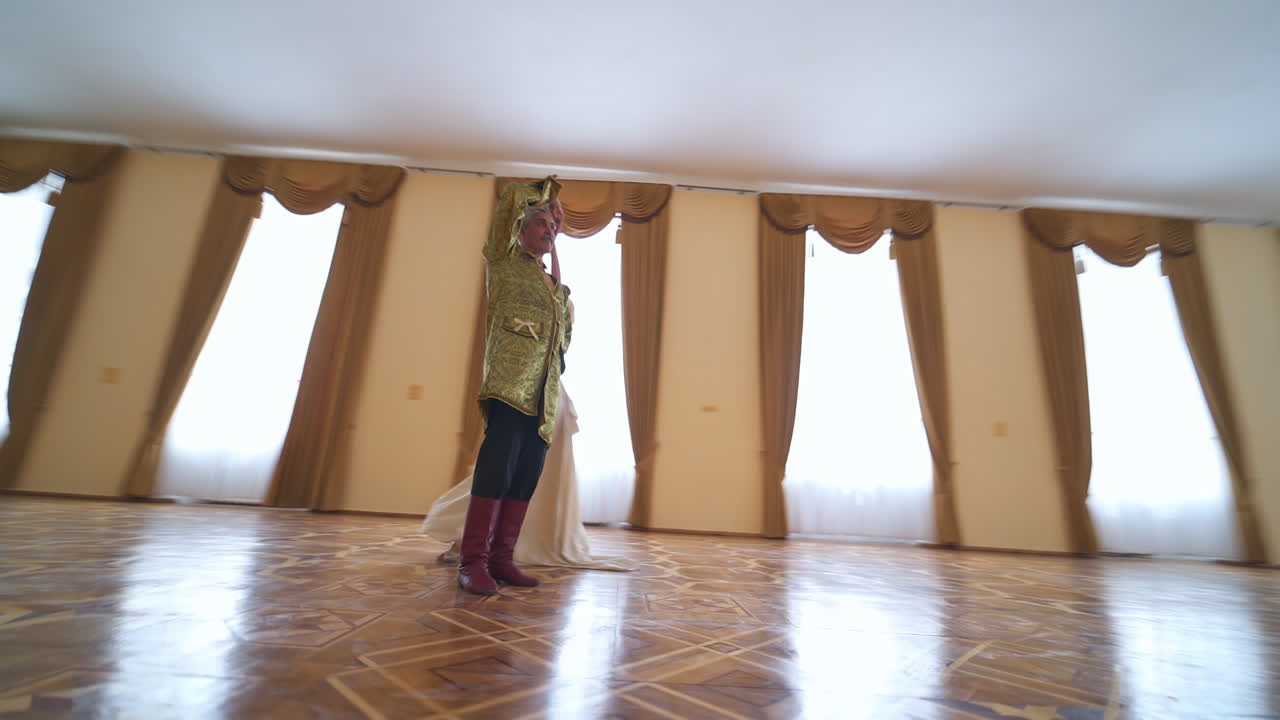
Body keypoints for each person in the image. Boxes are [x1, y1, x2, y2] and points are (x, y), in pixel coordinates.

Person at [455, 176, 571, 595]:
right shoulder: (503, 262)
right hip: (508, 387)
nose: (549, 230)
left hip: (544, 396)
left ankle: (502, 560)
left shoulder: (555, 286)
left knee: (525, 476)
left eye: (553, 226)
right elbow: (511, 199)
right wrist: (550, 198)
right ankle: (472, 562)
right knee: (496, 472)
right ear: (520, 228)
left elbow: (564, 337)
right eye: (541, 223)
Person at [423, 379, 636, 572]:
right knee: (507, 475)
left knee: (526, 478)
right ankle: (475, 547)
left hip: (544, 397)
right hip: (530, 394)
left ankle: (489, 549)